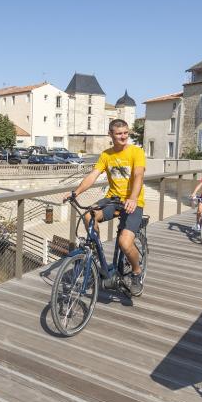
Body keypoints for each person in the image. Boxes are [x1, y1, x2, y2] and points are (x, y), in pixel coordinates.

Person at [64, 119, 146, 296]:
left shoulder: (136, 152)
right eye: (119, 133)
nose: (123, 136)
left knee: (125, 243)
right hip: (113, 199)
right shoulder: (106, 155)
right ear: (111, 135)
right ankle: (95, 250)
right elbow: (93, 176)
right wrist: (75, 193)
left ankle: (137, 272)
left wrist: (132, 198)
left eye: (125, 132)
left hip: (133, 202)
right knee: (88, 215)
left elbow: (138, 175)